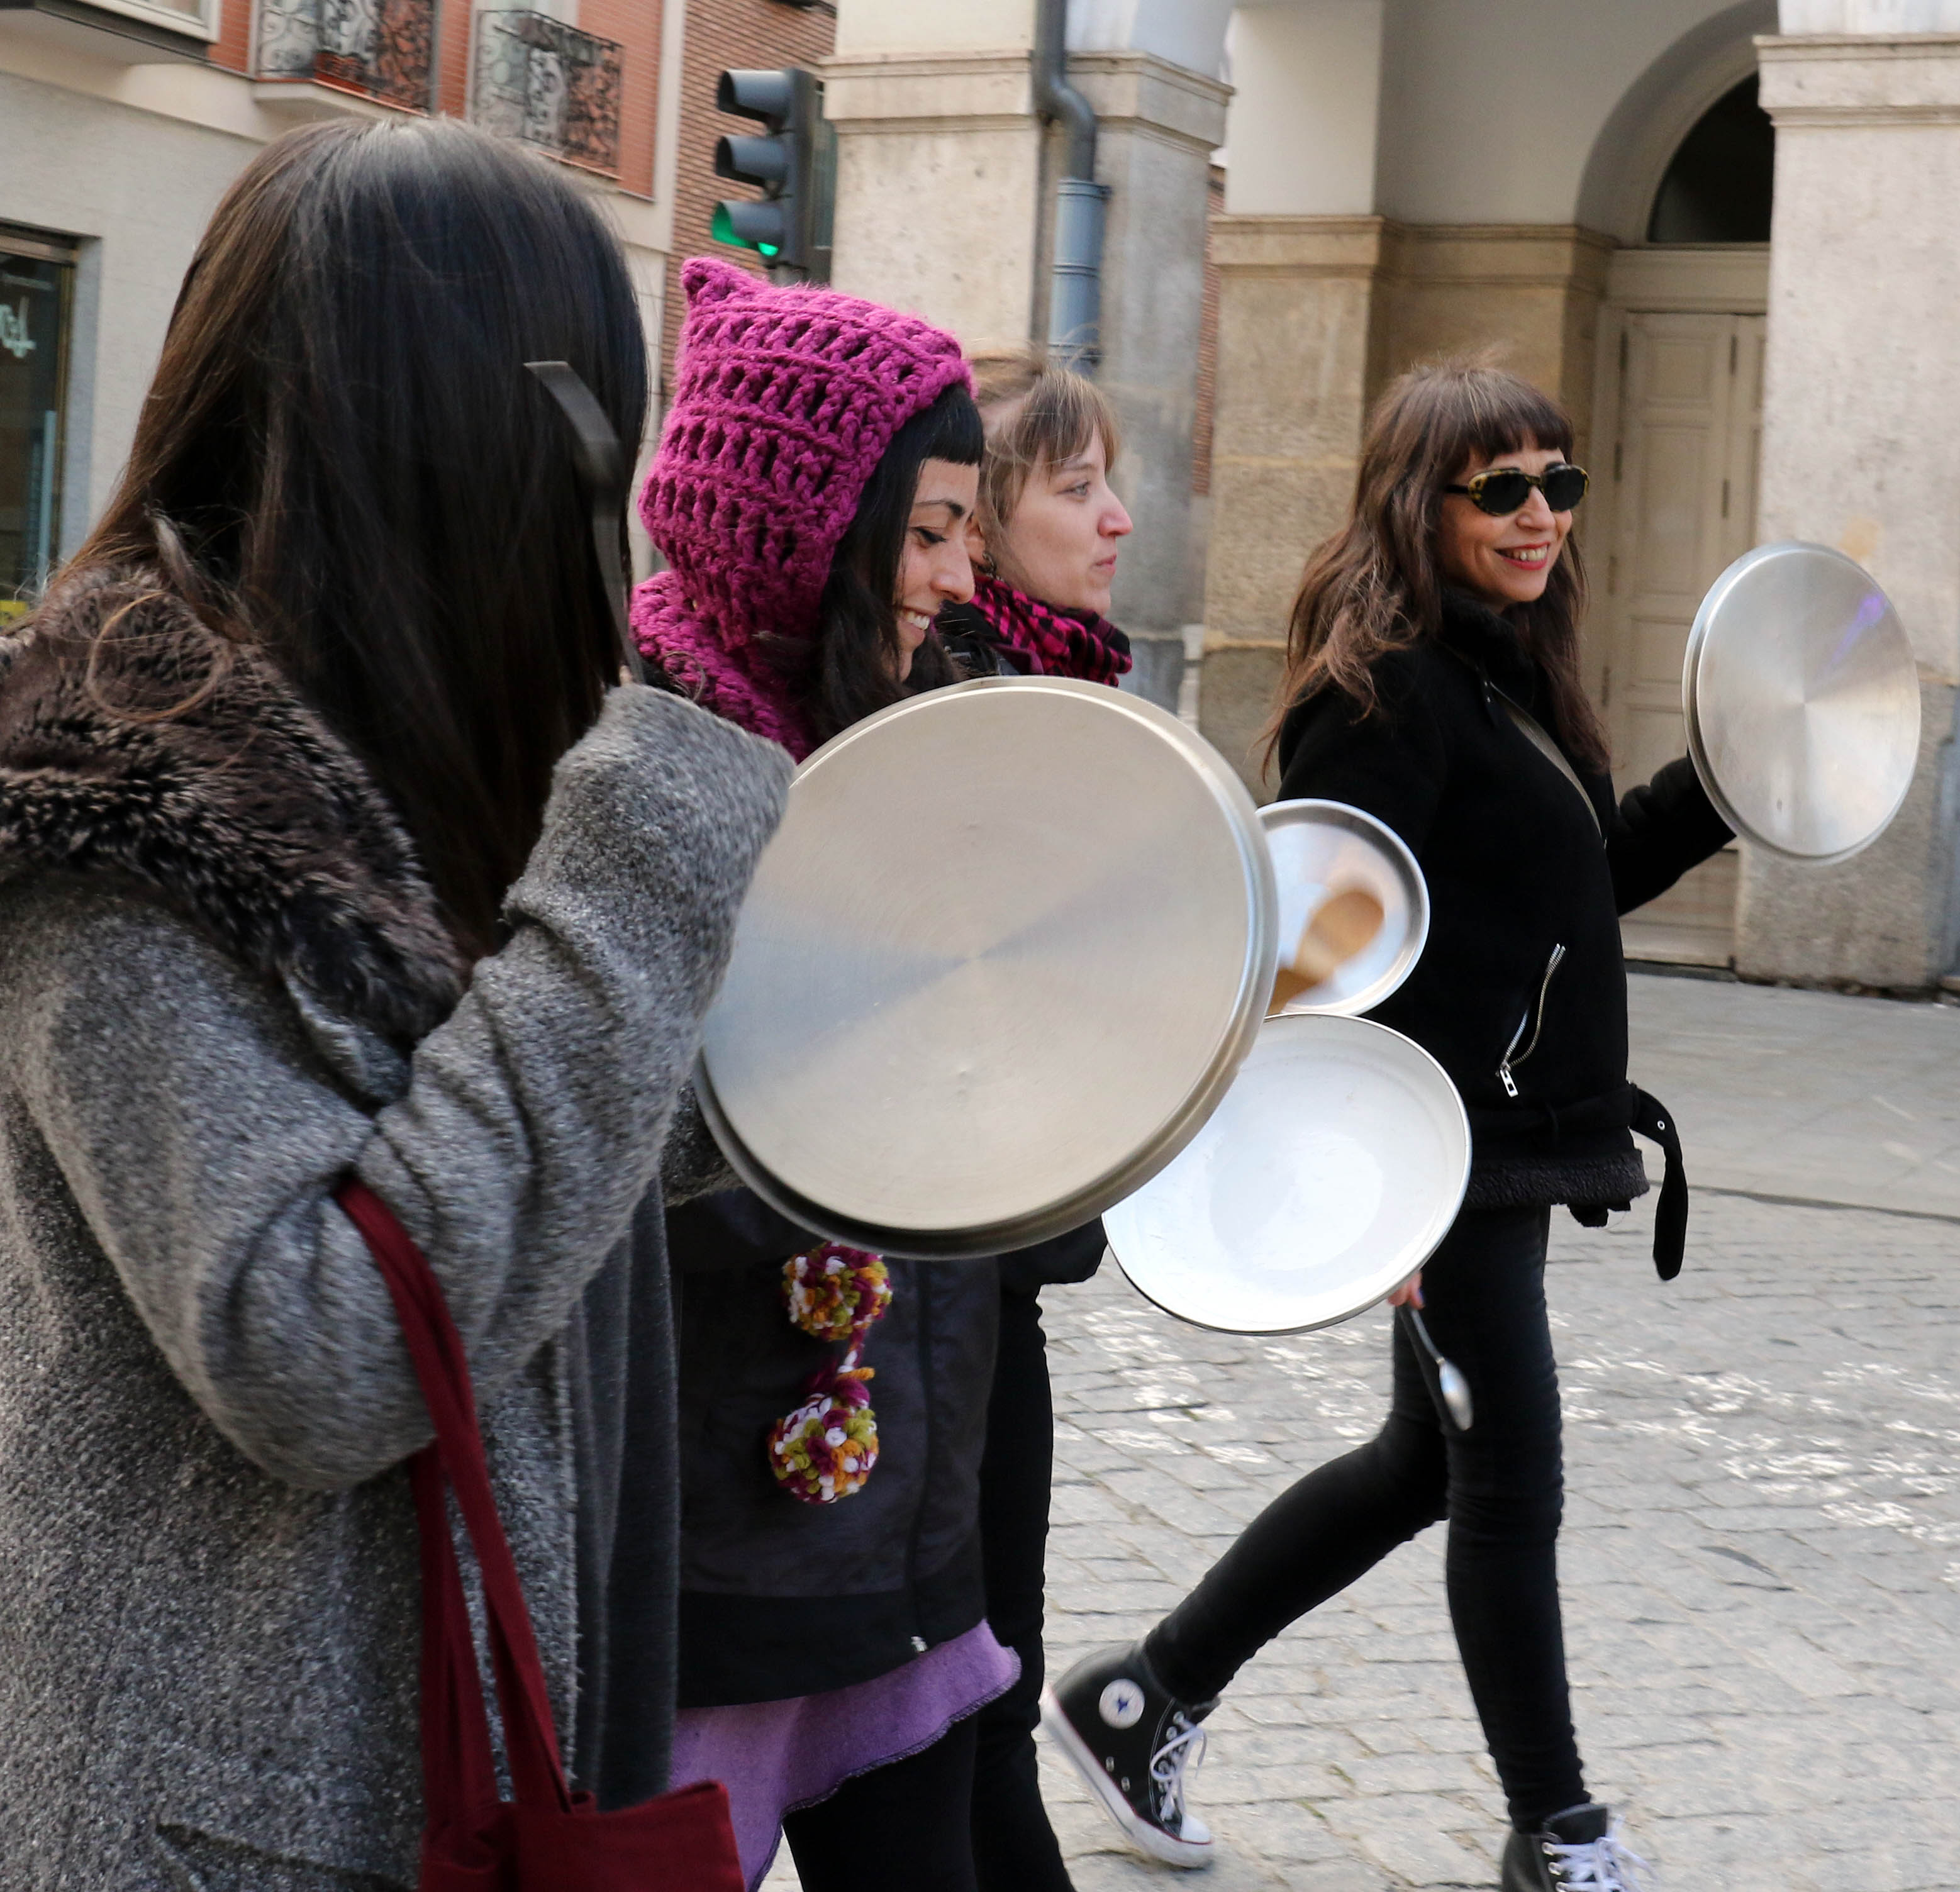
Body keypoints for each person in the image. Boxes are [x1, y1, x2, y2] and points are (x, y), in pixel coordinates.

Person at [0, 121, 791, 1891]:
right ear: (487, 444)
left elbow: (517, 1166)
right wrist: (642, 865)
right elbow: (323, 1347)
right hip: (230, 1828)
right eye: (603, 436)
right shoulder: (113, 801)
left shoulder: (397, 761)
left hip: (446, 1787)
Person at [1045, 359, 1730, 1892]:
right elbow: (1321, 964)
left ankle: (1142, 1693)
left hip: (1494, 1145)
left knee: (1429, 1464)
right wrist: (1381, 1202)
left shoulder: (1500, 673)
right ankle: (1556, 1829)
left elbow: (1573, 890)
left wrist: (1725, 784)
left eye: (1557, 481)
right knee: (1507, 1481)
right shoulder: (1383, 695)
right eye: (1501, 487)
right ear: (1418, 505)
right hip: (1441, 1161)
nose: (1540, 512)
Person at [634, 257, 1017, 1892]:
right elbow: (615, 1158)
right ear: (807, 528)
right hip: (704, 1575)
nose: (955, 570)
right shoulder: (638, 771)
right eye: (923, 530)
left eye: (966, 530)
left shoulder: (929, 737)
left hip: (906, 1545)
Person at [931, 347, 1133, 1892]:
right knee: (971, 1690)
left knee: (986, 1684)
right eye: (1077, 487)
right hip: (942, 1285)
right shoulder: (970, 706)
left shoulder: (1066, 684)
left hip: (1008, 1283)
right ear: (983, 522)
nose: (1118, 516)